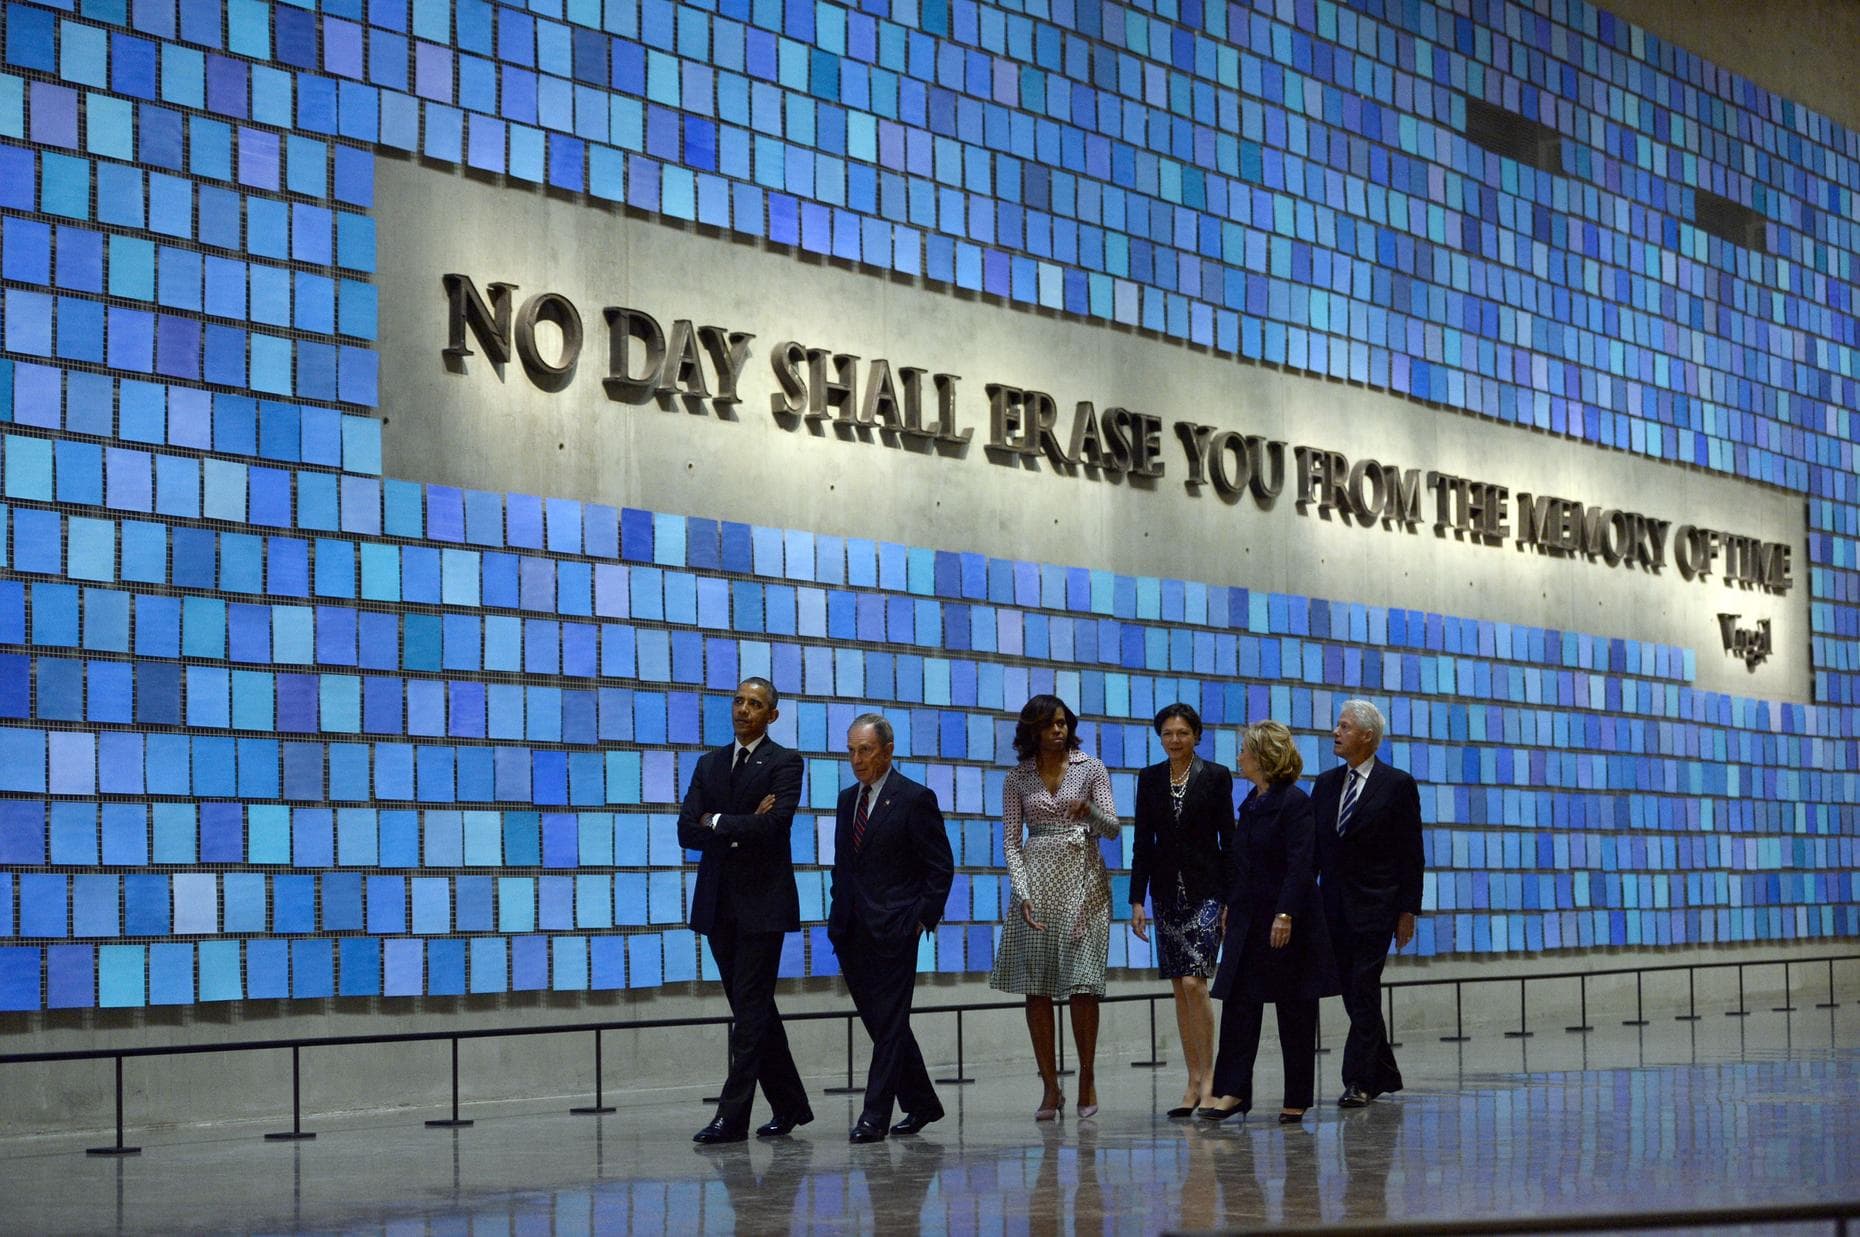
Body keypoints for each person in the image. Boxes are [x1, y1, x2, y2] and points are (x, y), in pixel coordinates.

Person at [678, 677, 811, 1144]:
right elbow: (685, 832)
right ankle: (791, 1104)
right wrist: (741, 823)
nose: (743, 710)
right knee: (752, 1009)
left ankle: (731, 1117)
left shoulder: (786, 762)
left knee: (750, 1012)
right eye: (738, 700)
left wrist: (716, 821)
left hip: (763, 904)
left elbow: (774, 827)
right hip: (718, 903)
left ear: (771, 715)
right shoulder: (709, 763)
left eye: (755, 704)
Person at [1197, 721, 1338, 1124]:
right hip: (1248, 918)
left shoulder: (1294, 802)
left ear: (1262, 757)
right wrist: (1229, 905)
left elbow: (1300, 863)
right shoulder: (1251, 802)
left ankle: (1296, 1097)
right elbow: (1242, 864)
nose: (1239, 757)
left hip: (1285, 920)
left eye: (1245, 750)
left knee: (1294, 1008)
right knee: (1240, 1005)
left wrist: (1285, 913)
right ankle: (1233, 1091)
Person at [987, 694, 1120, 1119]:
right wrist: (1022, 891)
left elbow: (1113, 829)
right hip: (1037, 883)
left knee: (1084, 985)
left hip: (1086, 883)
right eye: (1049, 725)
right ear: (1033, 731)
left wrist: (1091, 811)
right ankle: (1049, 1085)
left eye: (1062, 722)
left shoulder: (1091, 768)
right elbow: (1011, 840)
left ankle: (1086, 1076)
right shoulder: (1017, 778)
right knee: (1038, 987)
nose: (1058, 730)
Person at [828, 713, 955, 1144]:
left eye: (865, 750)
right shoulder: (848, 800)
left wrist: (920, 919)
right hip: (851, 928)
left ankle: (874, 1116)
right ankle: (922, 1102)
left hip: (896, 928)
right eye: (851, 750)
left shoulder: (914, 798)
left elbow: (939, 867)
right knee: (885, 1023)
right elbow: (843, 864)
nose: (857, 759)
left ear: (887, 750)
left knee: (889, 1023)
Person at [1312, 699, 1423, 1108]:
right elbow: (1315, 852)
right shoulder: (1324, 785)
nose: (1335, 733)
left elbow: (1411, 852)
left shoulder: (1396, 784)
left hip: (1378, 906)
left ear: (1367, 736)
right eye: (1337, 726)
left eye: (1343, 727)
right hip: (1333, 906)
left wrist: (1407, 910)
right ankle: (1385, 1073)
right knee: (1353, 992)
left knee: (1363, 985)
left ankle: (1358, 1079)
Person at [1129, 702, 1234, 1118]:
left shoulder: (1216, 776)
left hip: (1207, 891)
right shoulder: (1150, 778)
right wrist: (1137, 898)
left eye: (1182, 733)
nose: (1175, 740)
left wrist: (1230, 899)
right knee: (1179, 986)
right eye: (1168, 734)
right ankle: (1192, 1080)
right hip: (1165, 894)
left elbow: (1229, 840)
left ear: (1196, 736)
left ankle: (1210, 1078)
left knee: (1195, 983)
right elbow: (1142, 843)